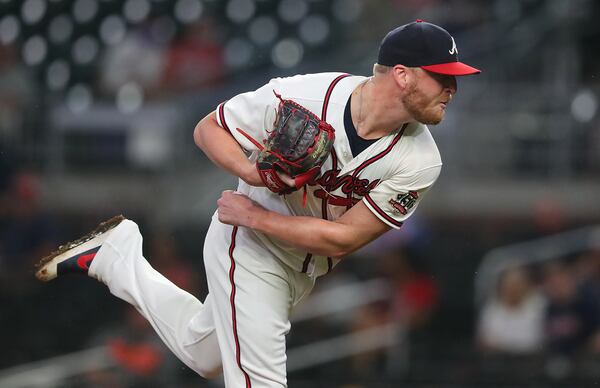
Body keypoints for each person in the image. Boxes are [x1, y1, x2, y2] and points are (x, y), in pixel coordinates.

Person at [36, 20, 480, 387]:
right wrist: (250, 174)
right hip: (247, 244)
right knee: (260, 381)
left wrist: (258, 215)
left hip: (297, 260)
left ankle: (115, 258)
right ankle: (116, 257)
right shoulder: (306, 97)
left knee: (204, 353)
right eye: (444, 77)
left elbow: (345, 238)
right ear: (402, 74)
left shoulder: (420, 160)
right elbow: (209, 129)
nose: (452, 89)